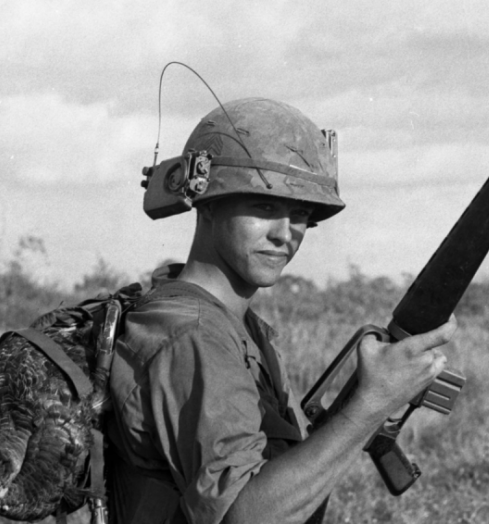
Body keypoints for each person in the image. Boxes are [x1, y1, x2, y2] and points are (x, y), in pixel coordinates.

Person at [105, 98, 456, 524]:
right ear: (210, 204)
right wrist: (372, 403)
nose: (284, 234)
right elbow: (244, 515)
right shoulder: (193, 335)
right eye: (264, 207)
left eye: (301, 214)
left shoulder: (240, 326)